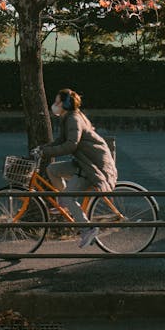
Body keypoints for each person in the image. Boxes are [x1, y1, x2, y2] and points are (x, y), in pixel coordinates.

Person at [34, 88, 117, 247]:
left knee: (68, 196)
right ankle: (65, 204)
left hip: (92, 166)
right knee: (52, 170)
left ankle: (88, 229)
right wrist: (43, 148)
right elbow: (61, 140)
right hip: (84, 161)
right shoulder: (68, 117)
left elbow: (71, 146)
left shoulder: (73, 119)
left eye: (58, 101)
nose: (55, 104)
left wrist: (46, 152)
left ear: (65, 104)